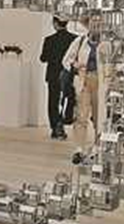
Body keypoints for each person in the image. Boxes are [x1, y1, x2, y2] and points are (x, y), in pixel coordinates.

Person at [63, 13, 108, 164]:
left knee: (99, 117)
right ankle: (79, 149)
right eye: (93, 21)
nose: (96, 25)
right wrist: (75, 66)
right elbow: (66, 60)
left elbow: (114, 63)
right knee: (81, 117)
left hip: (100, 83)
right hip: (84, 81)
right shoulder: (80, 41)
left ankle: (97, 148)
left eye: (99, 22)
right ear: (88, 24)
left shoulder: (107, 44)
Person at [40, 15, 75, 140]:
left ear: (55, 23)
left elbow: (43, 58)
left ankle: (55, 127)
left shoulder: (49, 40)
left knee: (53, 101)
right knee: (67, 99)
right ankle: (64, 122)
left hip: (53, 74)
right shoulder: (74, 39)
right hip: (68, 74)